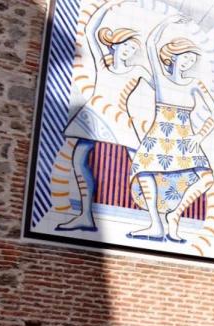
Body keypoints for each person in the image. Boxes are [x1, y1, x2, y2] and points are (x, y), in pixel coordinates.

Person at [53, 0, 151, 232]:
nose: (128, 52)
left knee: (141, 165)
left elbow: (160, 84)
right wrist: (107, 6)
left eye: (132, 50)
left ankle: (156, 218)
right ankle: (85, 215)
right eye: (125, 47)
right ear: (114, 46)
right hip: (95, 115)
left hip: (119, 119)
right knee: (79, 161)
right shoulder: (102, 63)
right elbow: (89, 30)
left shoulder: (137, 70)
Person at [129, 16, 214, 248]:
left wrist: (199, 136)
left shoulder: (194, 83)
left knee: (207, 178)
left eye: (192, 59)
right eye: (185, 57)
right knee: (144, 170)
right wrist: (167, 22)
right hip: (160, 133)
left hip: (184, 136)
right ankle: (155, 223)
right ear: (173, 56)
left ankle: (175, 214)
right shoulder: (160, 78)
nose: (188, 62)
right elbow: (151, 44)